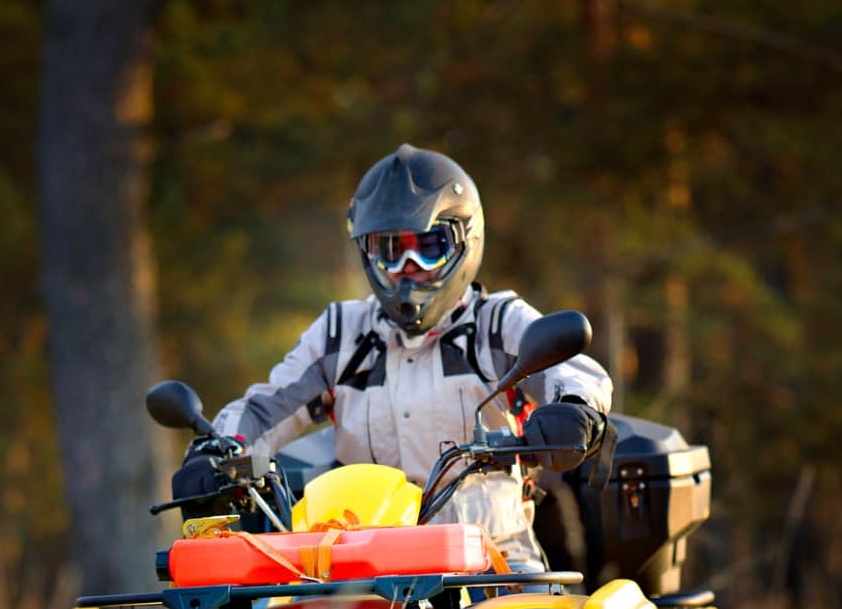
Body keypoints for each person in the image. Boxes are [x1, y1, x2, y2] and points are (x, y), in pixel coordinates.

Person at [170, 145, 612, 570]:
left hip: (491, 565)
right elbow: (268, 407)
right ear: (368, 253)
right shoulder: (341, 333)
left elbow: (572, 372)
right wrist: (218, 450)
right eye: (391, 251)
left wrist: (576, 410)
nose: (408, 268)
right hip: (361, 572)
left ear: (466, 242)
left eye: (429, 246)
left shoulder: (497, 323)